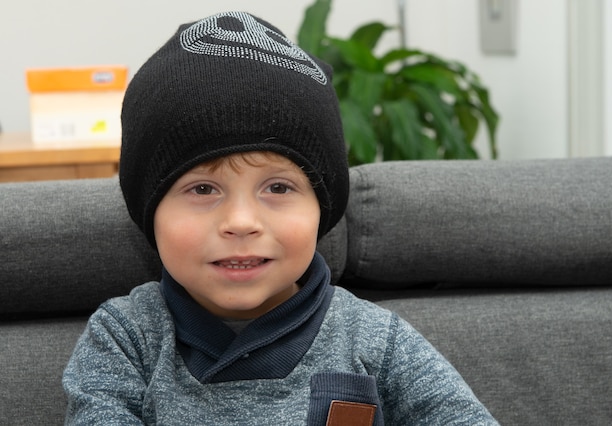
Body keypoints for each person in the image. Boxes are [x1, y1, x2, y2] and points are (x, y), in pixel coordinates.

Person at [62, 11, 498, 425]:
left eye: (278, 188)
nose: (241, 221)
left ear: (321, 207)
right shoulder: (125, 340)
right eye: (202, 189)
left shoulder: (373, 340)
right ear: (149, 212)